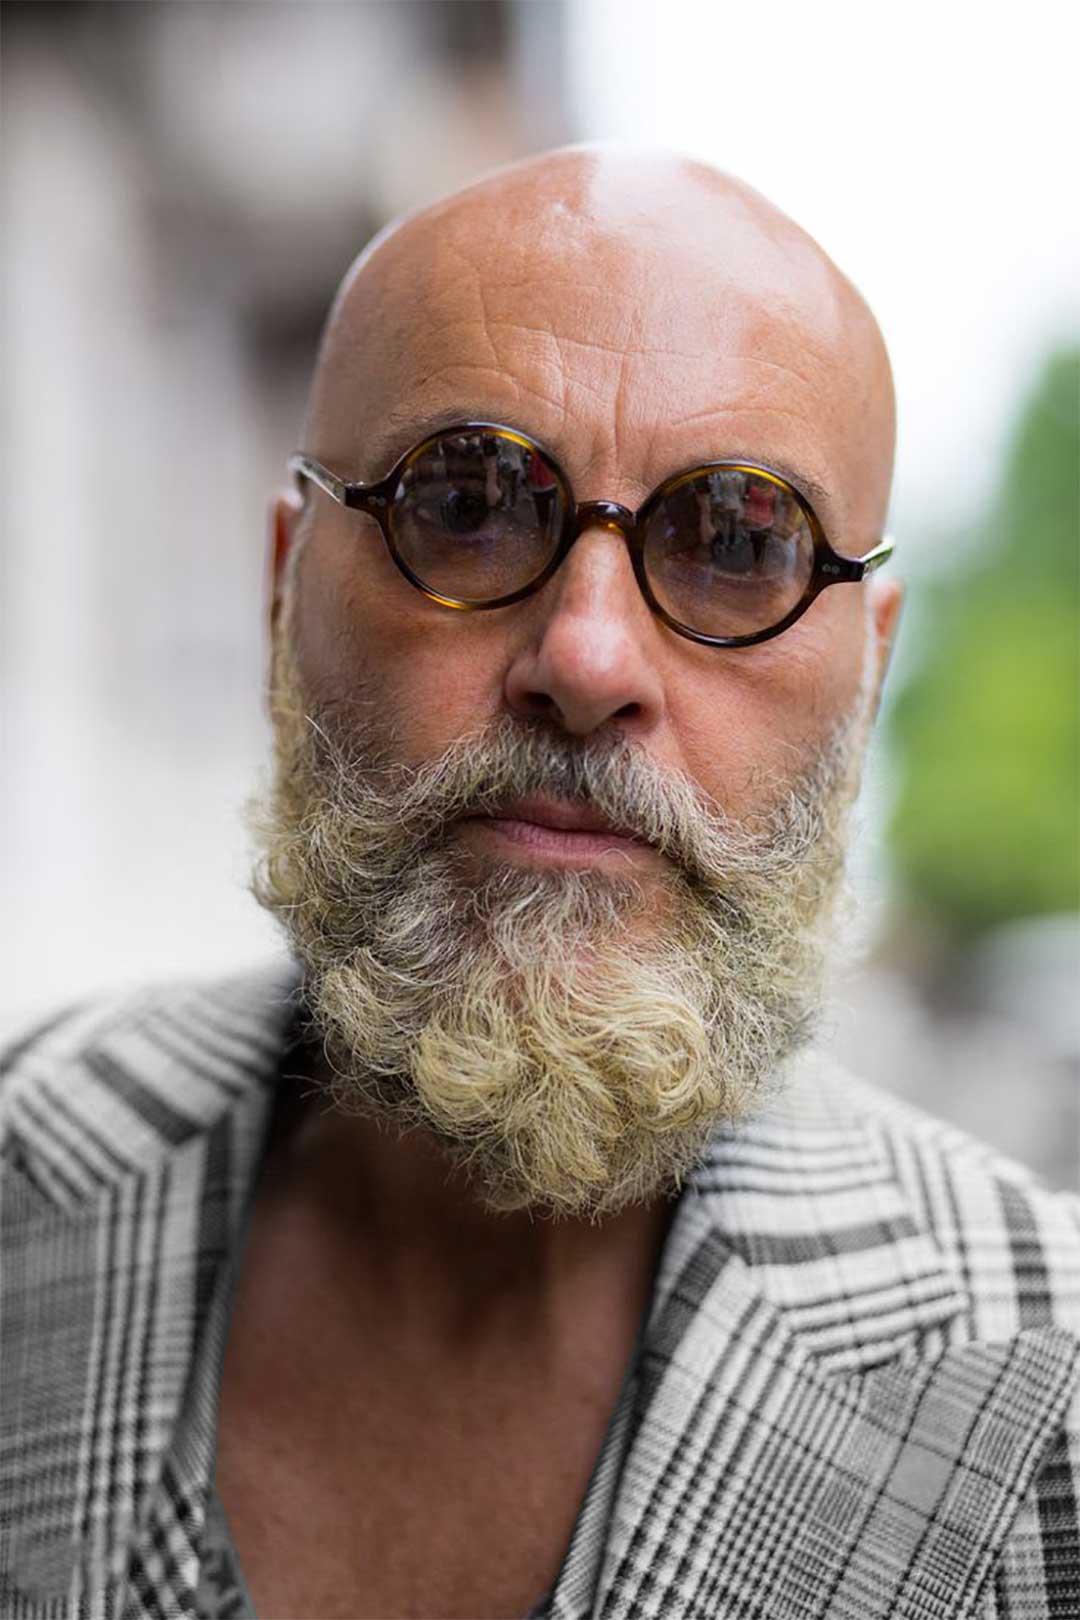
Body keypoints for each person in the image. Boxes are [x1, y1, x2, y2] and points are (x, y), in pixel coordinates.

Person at [2, 147, 1077, 1620]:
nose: (586, 659)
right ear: (280, 591)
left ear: (871, 670)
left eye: (737, 543)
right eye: (466, 504)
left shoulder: (1050, 1391)